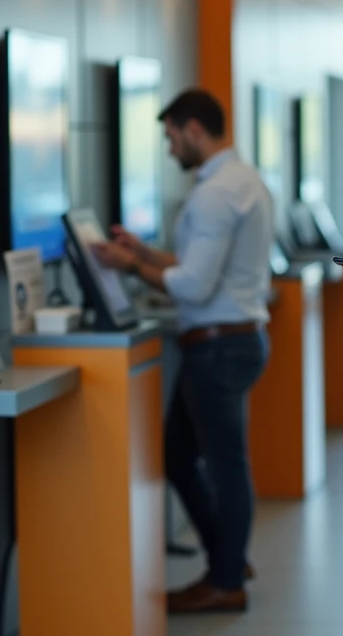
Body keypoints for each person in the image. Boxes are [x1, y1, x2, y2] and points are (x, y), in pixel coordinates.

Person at [92, 89, 273, 613]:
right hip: (233, 340)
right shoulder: (241, 180)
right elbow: (200, 266)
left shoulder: (216, 192)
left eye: (172, 137)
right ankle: (228, 558)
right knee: (178, 454)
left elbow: (193, 285)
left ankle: (225, 579)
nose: (170, 149)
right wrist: (144, 253)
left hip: (218, 348)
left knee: (224, 465)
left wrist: (130, 267)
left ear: (194, 129)